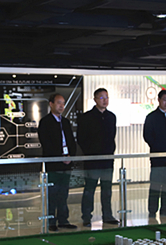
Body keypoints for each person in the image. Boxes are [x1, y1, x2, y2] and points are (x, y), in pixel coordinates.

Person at [77, 88, 119, 227]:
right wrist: (90, 153)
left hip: (107, 160)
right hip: (92, 160)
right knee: (90, 189)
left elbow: (112, 136)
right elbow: (81, 139)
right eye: (101, 97)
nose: (105, 100)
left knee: (107, 190)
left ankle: (107, 215)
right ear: (95, 99)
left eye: (106, 97)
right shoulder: (86, 117)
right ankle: (86, 217)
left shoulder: (111, 117)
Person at [38, 93, 78, 232]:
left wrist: (70, 156)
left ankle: (63, 220)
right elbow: (46, 143)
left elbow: (71, 141)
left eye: (63, 103)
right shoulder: (45, 122)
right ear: (51, 104)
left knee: (64, 193)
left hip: (67, 163)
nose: (61, 106)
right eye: (59, 102)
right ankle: (51, 221)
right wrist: (60, 156)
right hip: (54, 163)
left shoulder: (65, 122)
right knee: (53, 193)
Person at [143, 90, 166, 217]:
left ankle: (165, 208)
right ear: (159, 100)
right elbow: (147, 135)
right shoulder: (152, 117)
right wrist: (156, 147)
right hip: (157, 157)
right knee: (155, 183)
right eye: (165, 100)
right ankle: (152, 209)